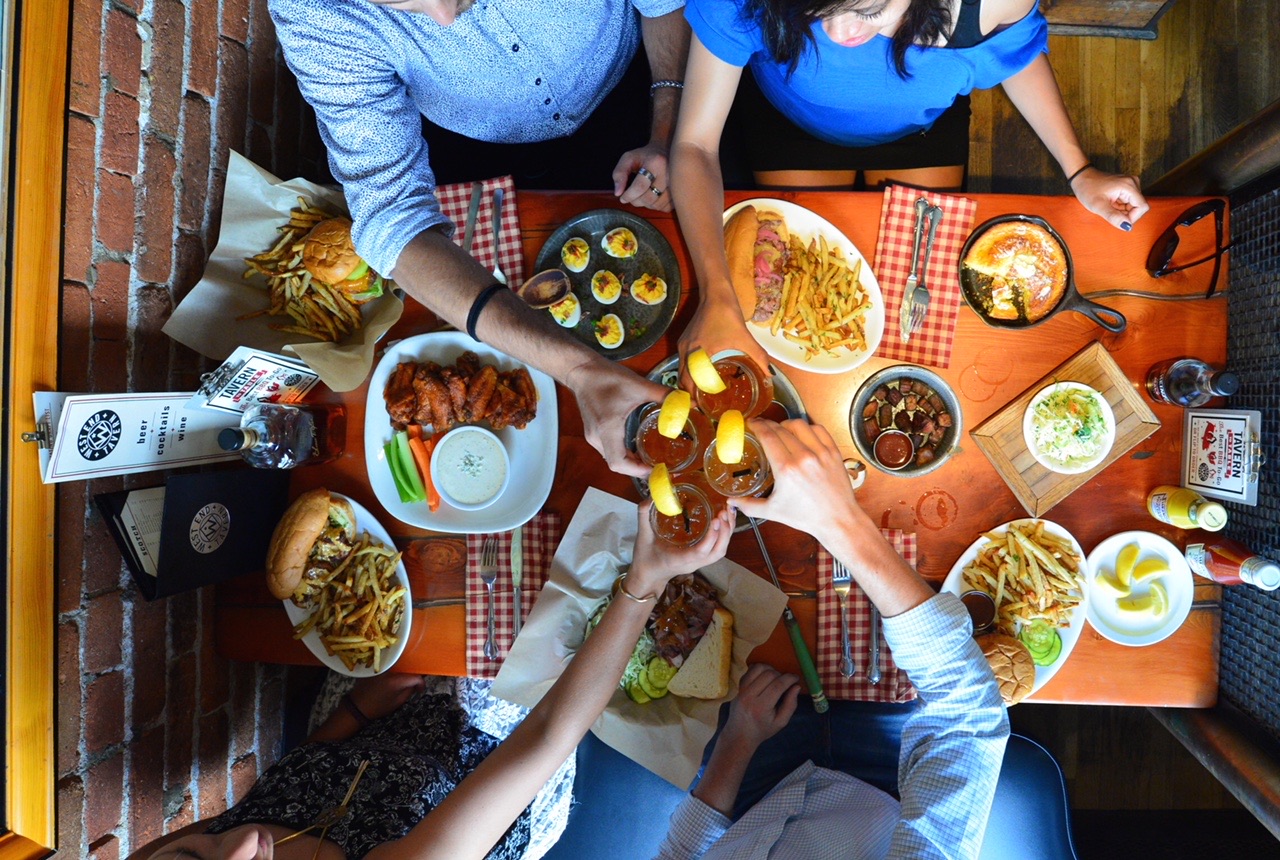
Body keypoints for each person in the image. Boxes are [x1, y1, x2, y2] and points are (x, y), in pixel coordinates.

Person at [130, 501, 736, 860]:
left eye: (195, 853)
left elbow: (288, 789)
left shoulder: (172, 853)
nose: (238, 842)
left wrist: (357, 717)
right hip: (496, 772)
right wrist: (646, 580)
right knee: (519, 627)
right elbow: (549, 735)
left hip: (374, 734)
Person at [267, 0, 691, 474]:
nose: (446, 19)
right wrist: (581, 371)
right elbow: (392, 217)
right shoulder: (311, 9)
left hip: (642, 85)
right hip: (481, 149)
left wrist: (670, 127)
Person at [669, 0, 1151, 372]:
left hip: (920, 133)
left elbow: (1013, 56)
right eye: (815, 10)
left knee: (916, 306)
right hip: (791, 125)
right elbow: (694, 145)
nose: (841, 34)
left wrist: (1079, 170)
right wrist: (716, 296)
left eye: (869, 11)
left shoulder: (994, 4)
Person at [655, 419, 1010, 859]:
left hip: (752, 782)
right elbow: (967, 718)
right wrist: (840, 522)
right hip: (888, 778)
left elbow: (682, 852)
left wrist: (738, 739)